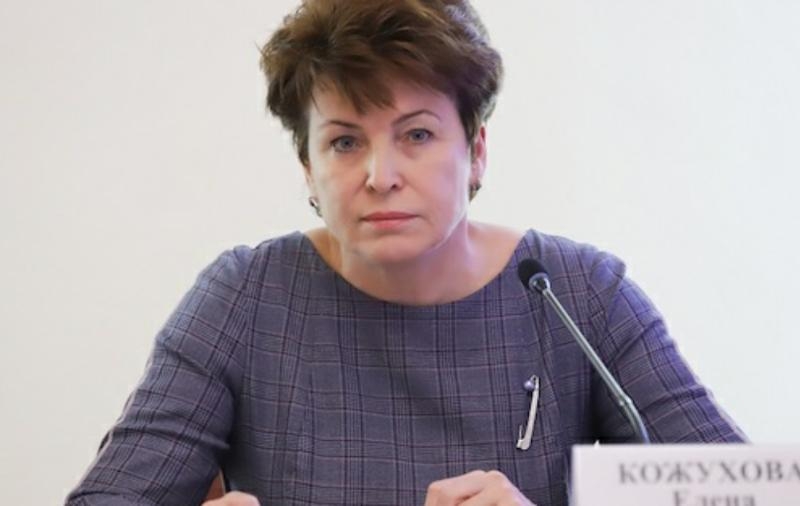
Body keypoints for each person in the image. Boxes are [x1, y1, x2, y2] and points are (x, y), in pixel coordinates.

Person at [66, 1, 745, 505]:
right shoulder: (246, 295)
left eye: (417, 135)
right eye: (344, 142)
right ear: (308, 170)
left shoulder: (577, 291)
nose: (380, 175)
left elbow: (739, 493)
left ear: (475, 152)